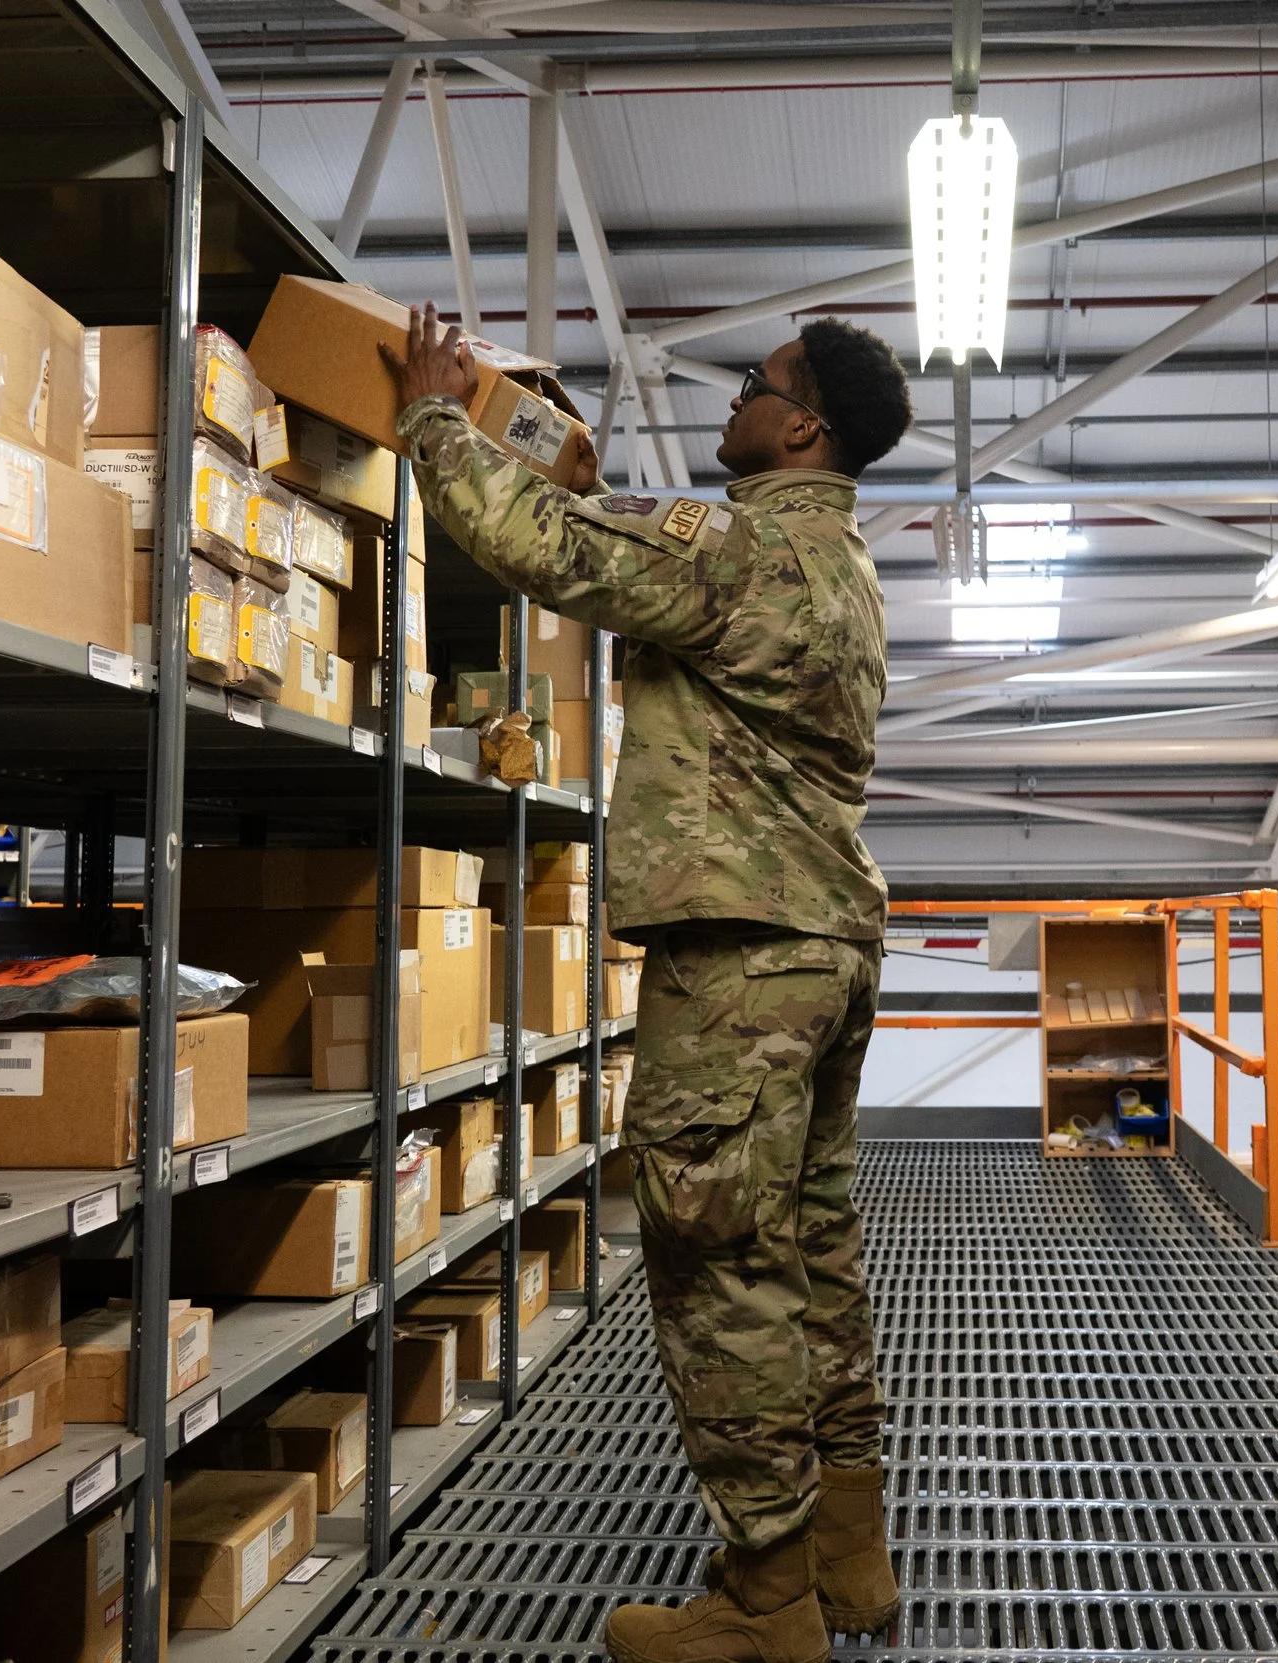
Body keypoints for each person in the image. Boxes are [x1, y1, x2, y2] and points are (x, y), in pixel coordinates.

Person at [383, 306, 914, 1663]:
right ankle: (849, 1553)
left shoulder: (738, 548)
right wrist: (585, 486)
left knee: (715, 1256)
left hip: (739, 959)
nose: (735, 399)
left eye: (758, 384)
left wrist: (440, 415)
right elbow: (638, 550)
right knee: (807, 1247)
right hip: (827, 943)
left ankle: (765, 1595)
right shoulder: (841, 564)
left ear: (803, 426)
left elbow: (541, 548)